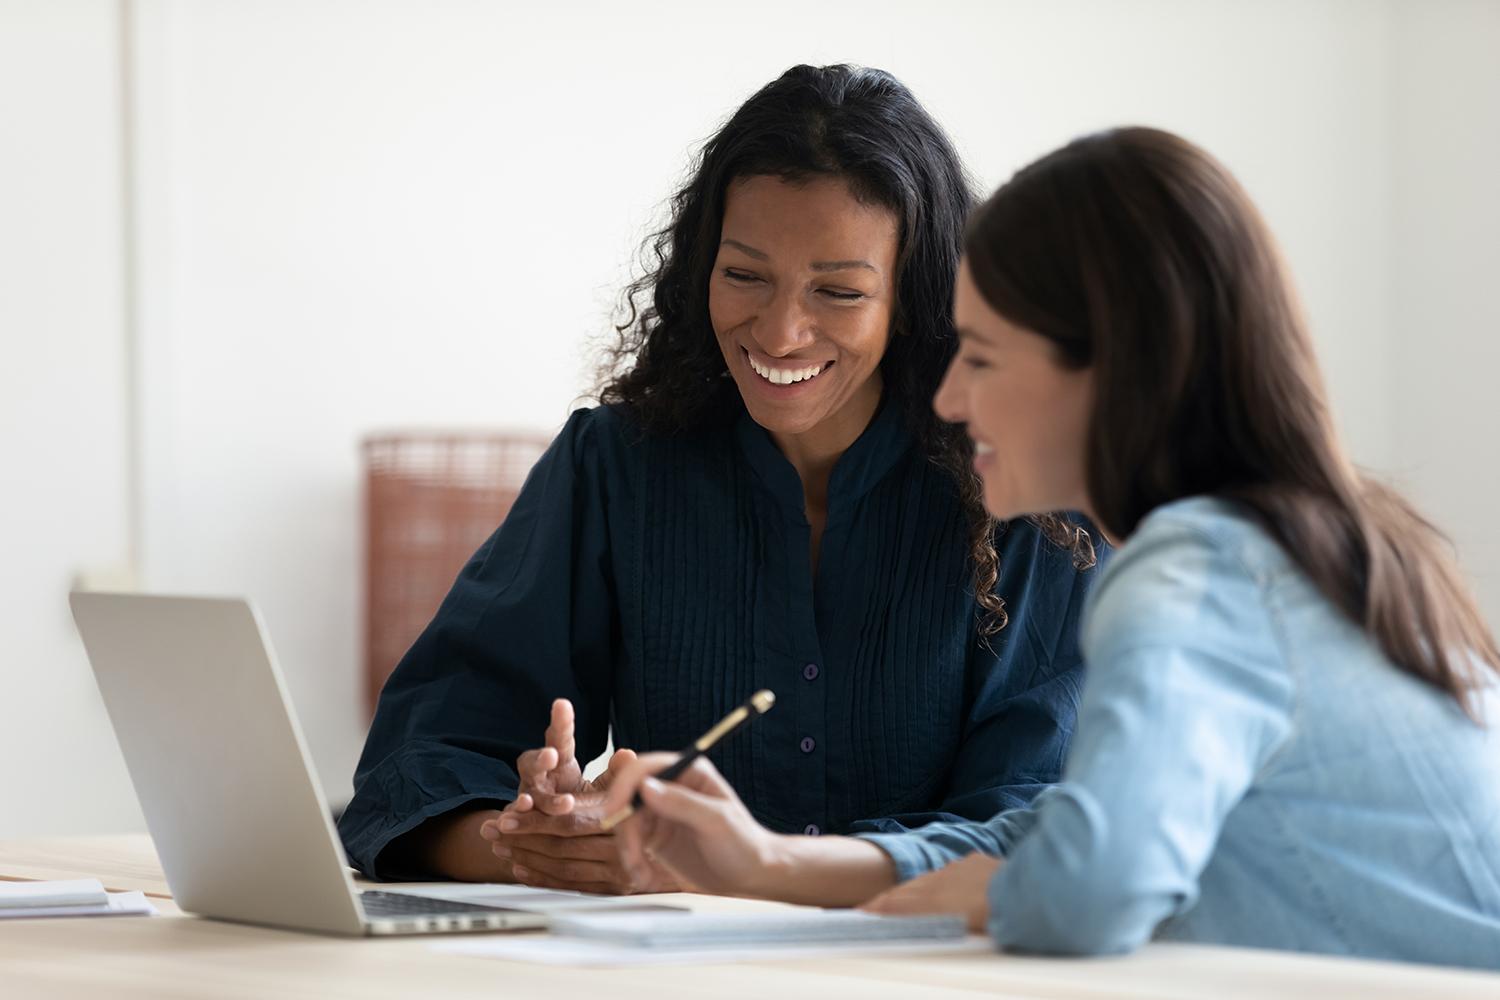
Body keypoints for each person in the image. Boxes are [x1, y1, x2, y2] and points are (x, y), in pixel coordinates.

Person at [598, 127, 1500, 969]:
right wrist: (766, 865)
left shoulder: (1196, 570)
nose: (948, 398)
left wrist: (988, 892)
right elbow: (1073, 837)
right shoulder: (1314, 545)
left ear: (1111, 370)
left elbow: (1089, 890)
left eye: (982, 356)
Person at [336, 64, 1101, 893]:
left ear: (913, 299)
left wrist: (745, 870)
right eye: (743, 276)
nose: (779, 332)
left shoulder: (1025, 496)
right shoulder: (614, 467)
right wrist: (544, 845)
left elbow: (1037, 828)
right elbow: (411, 769)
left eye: (838, 290)